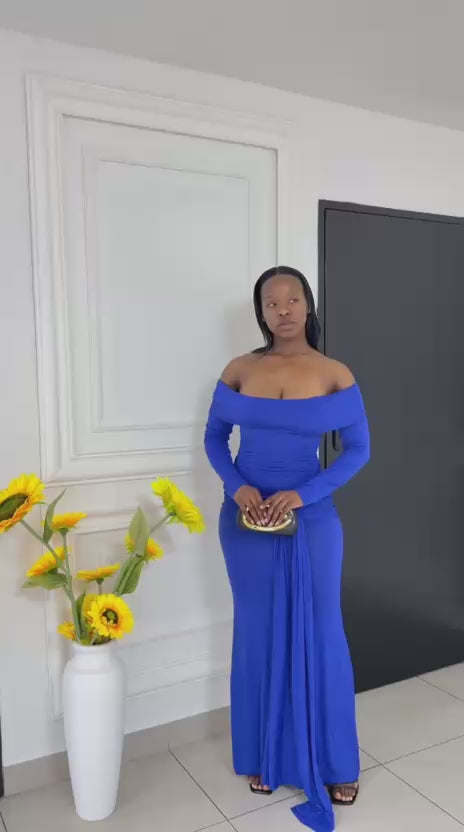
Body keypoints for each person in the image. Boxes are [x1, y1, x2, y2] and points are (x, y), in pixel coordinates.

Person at [204, 266, 370, 832]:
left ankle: (337, 763)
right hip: (245, 519)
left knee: (323, 632)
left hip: (312, 518)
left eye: (292, 299)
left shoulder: (334, 373)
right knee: (257, 630)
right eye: (271, 302)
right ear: (261, 312)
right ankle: (262, 753)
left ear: (307, 305)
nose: (283, 310)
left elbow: (358, 450)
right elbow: (213, 438)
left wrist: (302, 494)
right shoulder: (239, 369)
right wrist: (237, 486)